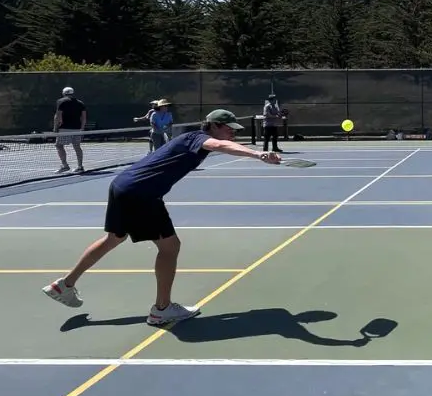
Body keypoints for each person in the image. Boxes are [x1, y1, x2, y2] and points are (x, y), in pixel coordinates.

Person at [42, 109, 282, 326]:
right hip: (142, 194)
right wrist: (258, 154)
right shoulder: (197, 138)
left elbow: (219, 145)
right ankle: (162, 309)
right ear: (214, 126)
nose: (232, 133)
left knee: (113, 239)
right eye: (229, 128)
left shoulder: (192, 140)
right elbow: (220, 146)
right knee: (170, 247)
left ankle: (64, 284)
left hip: (122, 186)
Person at [54, 86, 87, 173]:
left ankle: (65, 165)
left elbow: (58, 116)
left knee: (59, 145)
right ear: (73, 93)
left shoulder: (61, 101)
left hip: (64, 128)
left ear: (63, 93)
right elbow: (84, 117)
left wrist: (55, 128)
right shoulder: (80, 103)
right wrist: (82, 129)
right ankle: (80, 166)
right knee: (77, 146)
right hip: (77, 129)